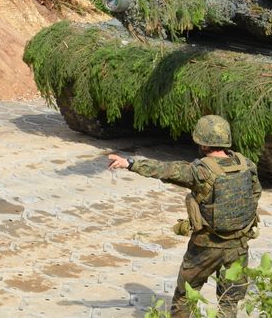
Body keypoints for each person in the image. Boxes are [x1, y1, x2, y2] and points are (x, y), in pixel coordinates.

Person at [108, 115, 260, 318]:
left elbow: (166, 170)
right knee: (229, 301)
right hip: (239, 245)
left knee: (185, 296)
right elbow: (255, 195)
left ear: (203, 144)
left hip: (206, 246)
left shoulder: (201, 171)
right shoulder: (247, 165)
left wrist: (131, 163)